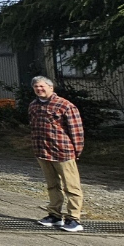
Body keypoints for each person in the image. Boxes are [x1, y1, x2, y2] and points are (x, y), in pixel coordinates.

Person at [29, 75, 85, 232]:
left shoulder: (65, 105)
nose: (39, 89)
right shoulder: (33, 105)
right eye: (36, 87)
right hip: (42, 152)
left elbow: (77, 131)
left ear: (50, 87)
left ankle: (74, 218)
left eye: (42, 86)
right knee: (52, 185)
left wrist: (76, 151)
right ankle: (54, 215)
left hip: (63, 152)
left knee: (71, 186)